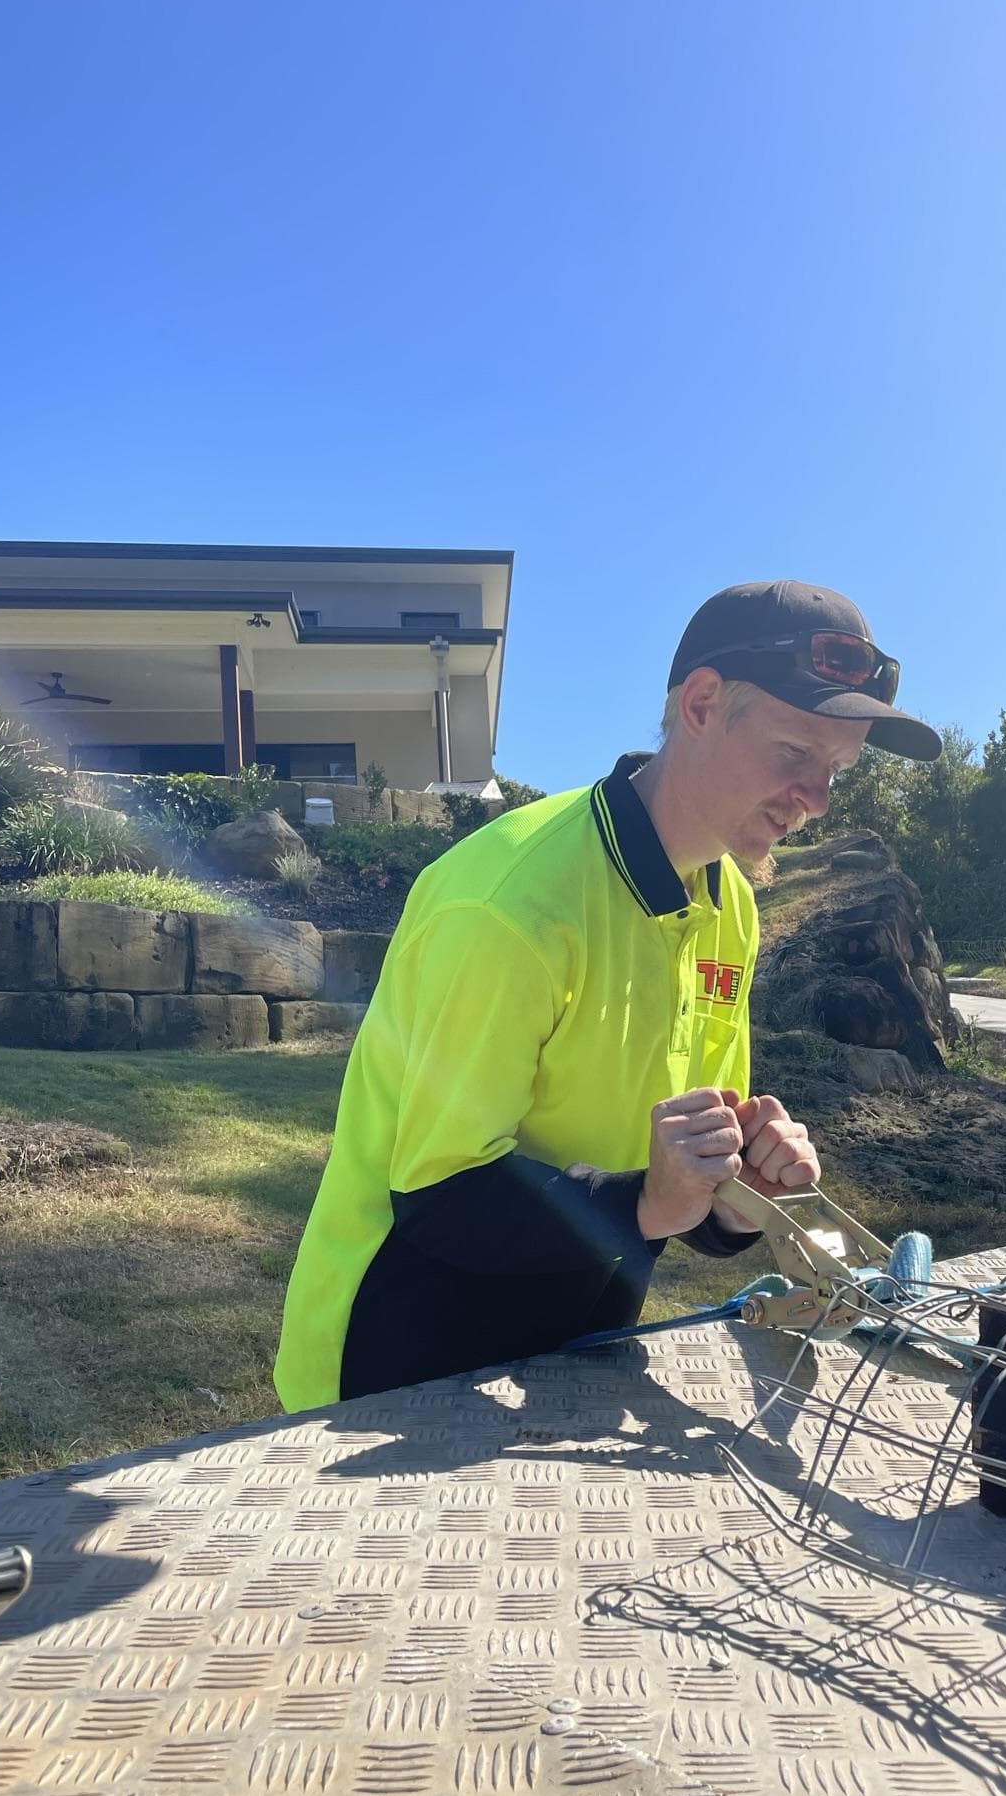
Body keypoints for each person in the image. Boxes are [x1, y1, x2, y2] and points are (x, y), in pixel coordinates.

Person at [274, 580, 943, 1412]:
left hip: (577, 1351)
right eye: (794, 754)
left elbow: (677, 1184)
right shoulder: (510, 903)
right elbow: (440, 1201)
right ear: (702, 704)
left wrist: (742, 1194)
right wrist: (649, 1200)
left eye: (836, 771)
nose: (816, 801)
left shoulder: (728, 899)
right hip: (401, 1358)